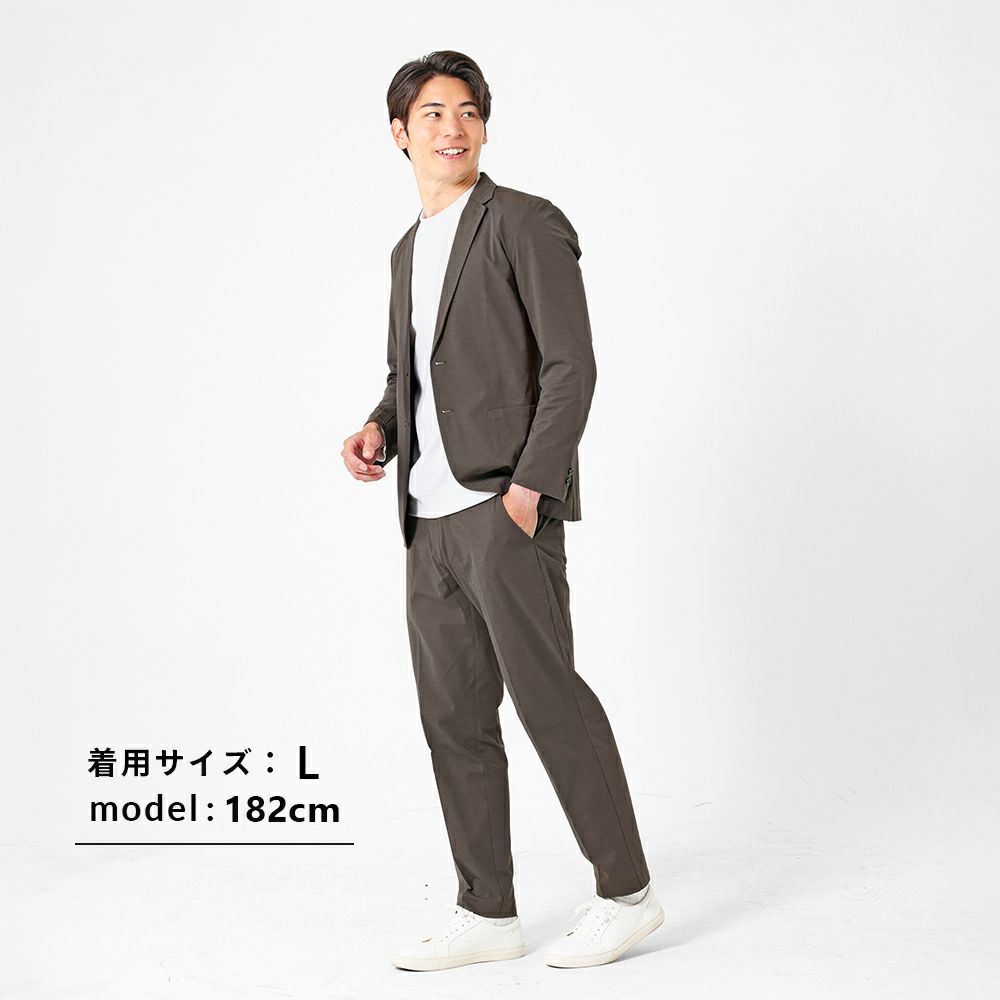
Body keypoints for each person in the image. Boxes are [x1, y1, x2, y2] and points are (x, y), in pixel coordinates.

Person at [342, 50, 663, 972]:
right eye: (433, 113)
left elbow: (571, 365)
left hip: (501, 508)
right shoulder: (406, 251)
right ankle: (486, 910)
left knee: (549, 698)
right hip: (427, 522)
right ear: (400, 134)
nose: (454, 127)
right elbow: (412, 374)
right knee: (453, 717)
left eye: (468, 111)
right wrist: (379, 428)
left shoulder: (524, 221)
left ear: (483, 126)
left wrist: (529, 488)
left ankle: (628, 894)